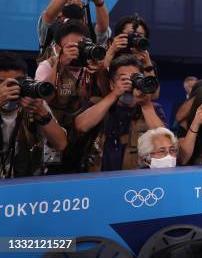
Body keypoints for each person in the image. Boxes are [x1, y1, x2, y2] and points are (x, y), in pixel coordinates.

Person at [35, 21, 108, 173]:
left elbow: (110, 99)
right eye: (70, 47)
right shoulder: (47, 67)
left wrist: (101, 71)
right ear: (57, 48)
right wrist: (60, 65)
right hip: (54, 140)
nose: (76, 52)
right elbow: (41, 102)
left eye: (79, 46)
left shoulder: (94, 66)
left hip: (86, 142)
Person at [74, 55, 166, 172]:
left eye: (134, 78)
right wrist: (114, 94)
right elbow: (81, 126)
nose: (129, 83)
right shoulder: (98, 103)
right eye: (123, 79)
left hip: (135, 182)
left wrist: (145, 105)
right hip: (97, 179)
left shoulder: (153, 109)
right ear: (112, 84)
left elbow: (164, 142)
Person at [0, 51, 67, 178]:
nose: (9, 88)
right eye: (2, 82)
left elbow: (61, 144)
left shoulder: (32, 102)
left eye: (16, 82)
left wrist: (41, 112)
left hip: (27, 180)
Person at [37, 0, 110, 58]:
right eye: (68, 7)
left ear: (84, 16)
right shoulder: (52, 29)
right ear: (59, 14)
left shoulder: (90, 31)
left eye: (79, 9)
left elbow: (102, 29)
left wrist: (98, 1)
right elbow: (49, 15)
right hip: (53, 70)